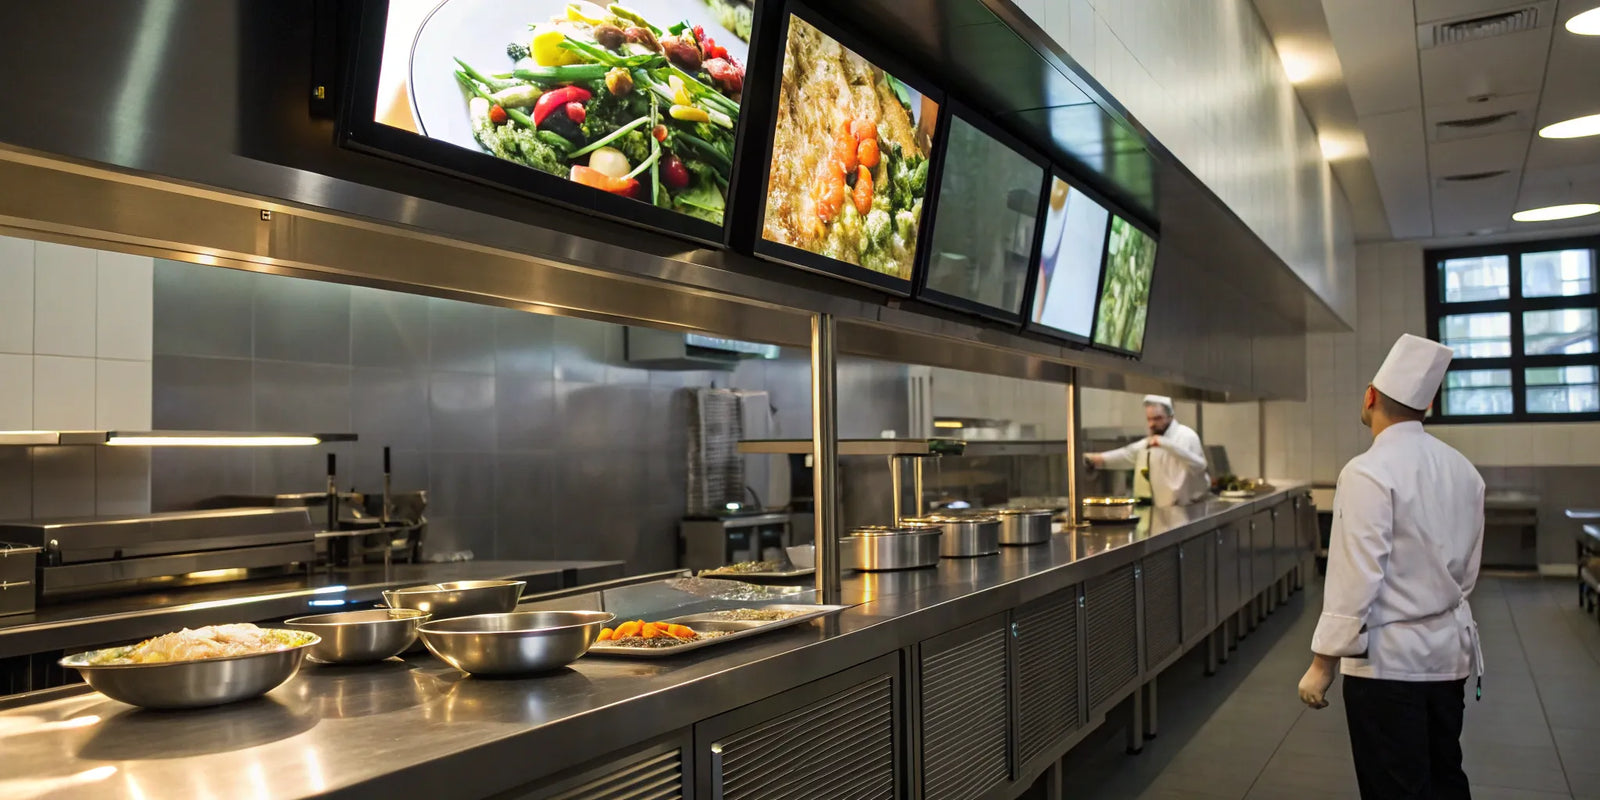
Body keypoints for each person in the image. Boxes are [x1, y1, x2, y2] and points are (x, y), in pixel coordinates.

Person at [1297, 333, 1485, 800]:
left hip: (1388, 666)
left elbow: (1354, 576)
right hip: (1448, 658)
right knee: (1444, 777)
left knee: (1395, 788)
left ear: (1370, 396)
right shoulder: (1463, 469)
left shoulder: (1366, 471)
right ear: (1427, 408)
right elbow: (1466, 576)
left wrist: (1323, 662)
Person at [1085, 395, 1210, 507]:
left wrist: (1166, 444)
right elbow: (1127, 454)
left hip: (1190, 509)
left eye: (1157, 419)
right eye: (1149, 419)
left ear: (1170, 416)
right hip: (1162, 509)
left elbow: (1199, 465)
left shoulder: (1186, 436)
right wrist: (1093, 459)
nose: (1152, 424)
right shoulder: (1151, 441)